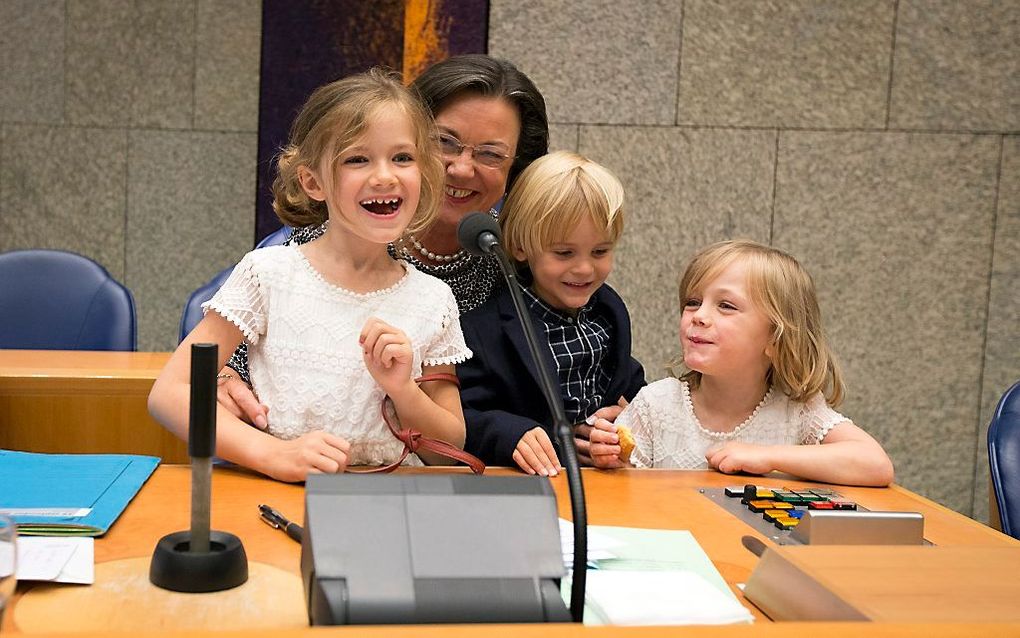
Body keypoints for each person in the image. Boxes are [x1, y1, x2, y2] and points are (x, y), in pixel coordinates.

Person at [149, 69, 472, 482]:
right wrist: (273, 455)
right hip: (282, 498)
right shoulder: (269, 273)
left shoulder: (434, 299)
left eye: (402, 158)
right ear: (313, 181)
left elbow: (449, 452)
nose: (385, 175)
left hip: (389, 508)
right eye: (357, 159)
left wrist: (403, 389)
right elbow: (171, 394)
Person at [589, 240, 894, 487]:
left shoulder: (798, 412)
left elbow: (874, 464)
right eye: (693, 302)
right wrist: (610, 459)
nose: (699, 315)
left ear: (775, 338)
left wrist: (769, 457)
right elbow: (623, 493)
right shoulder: (655, 405)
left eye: (726, 306)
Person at [457, 151, 646, 476]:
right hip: (531, 487)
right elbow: (463, 414)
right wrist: (512, 433)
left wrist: (632, 415)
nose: (585, 268)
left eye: (600, 251)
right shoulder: (485, 329)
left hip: (606, 483)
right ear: (519, 247)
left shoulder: (608, 314)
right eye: (564, 253)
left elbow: (631, 382)